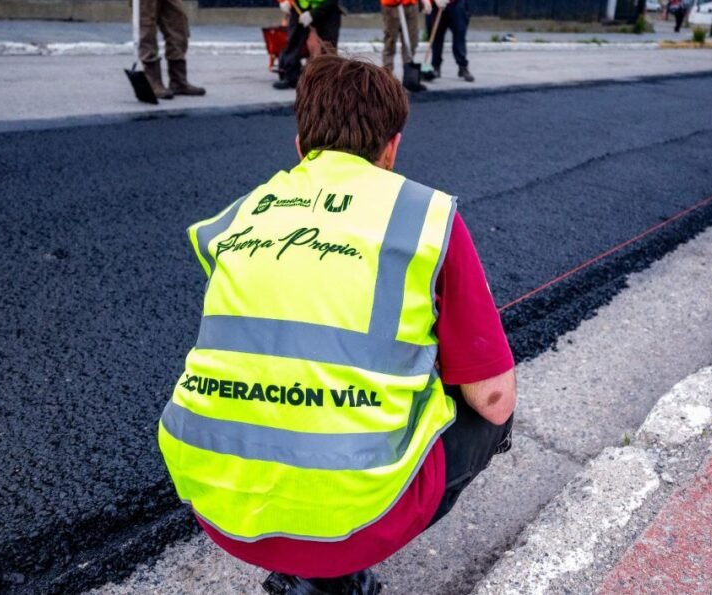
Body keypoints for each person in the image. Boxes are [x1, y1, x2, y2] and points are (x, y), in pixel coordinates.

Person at [158, 55, 516, 595]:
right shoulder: (425, 217)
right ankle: (330, 578)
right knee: (488, 415)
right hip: (351, 528)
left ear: (301, 144)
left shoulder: (240, 215)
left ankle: (305, 564)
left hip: (215, 503)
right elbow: (494, 400)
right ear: (392, 148)